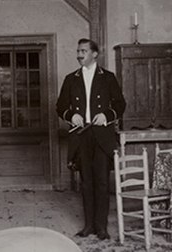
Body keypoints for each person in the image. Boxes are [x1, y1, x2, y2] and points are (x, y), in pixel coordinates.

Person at [56, 38, 126, 240]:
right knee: (86, 182)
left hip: (102, 135)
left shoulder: (108, 77)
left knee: (103, 182)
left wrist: (106, 116)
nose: (79, 54)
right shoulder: (71, 79)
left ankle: (101, 227)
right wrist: (71, 116)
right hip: (81, 135)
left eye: (84, 51)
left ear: (95, 54)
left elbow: (120, 104)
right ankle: (88, 226)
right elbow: (60, 106)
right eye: (78, 50)